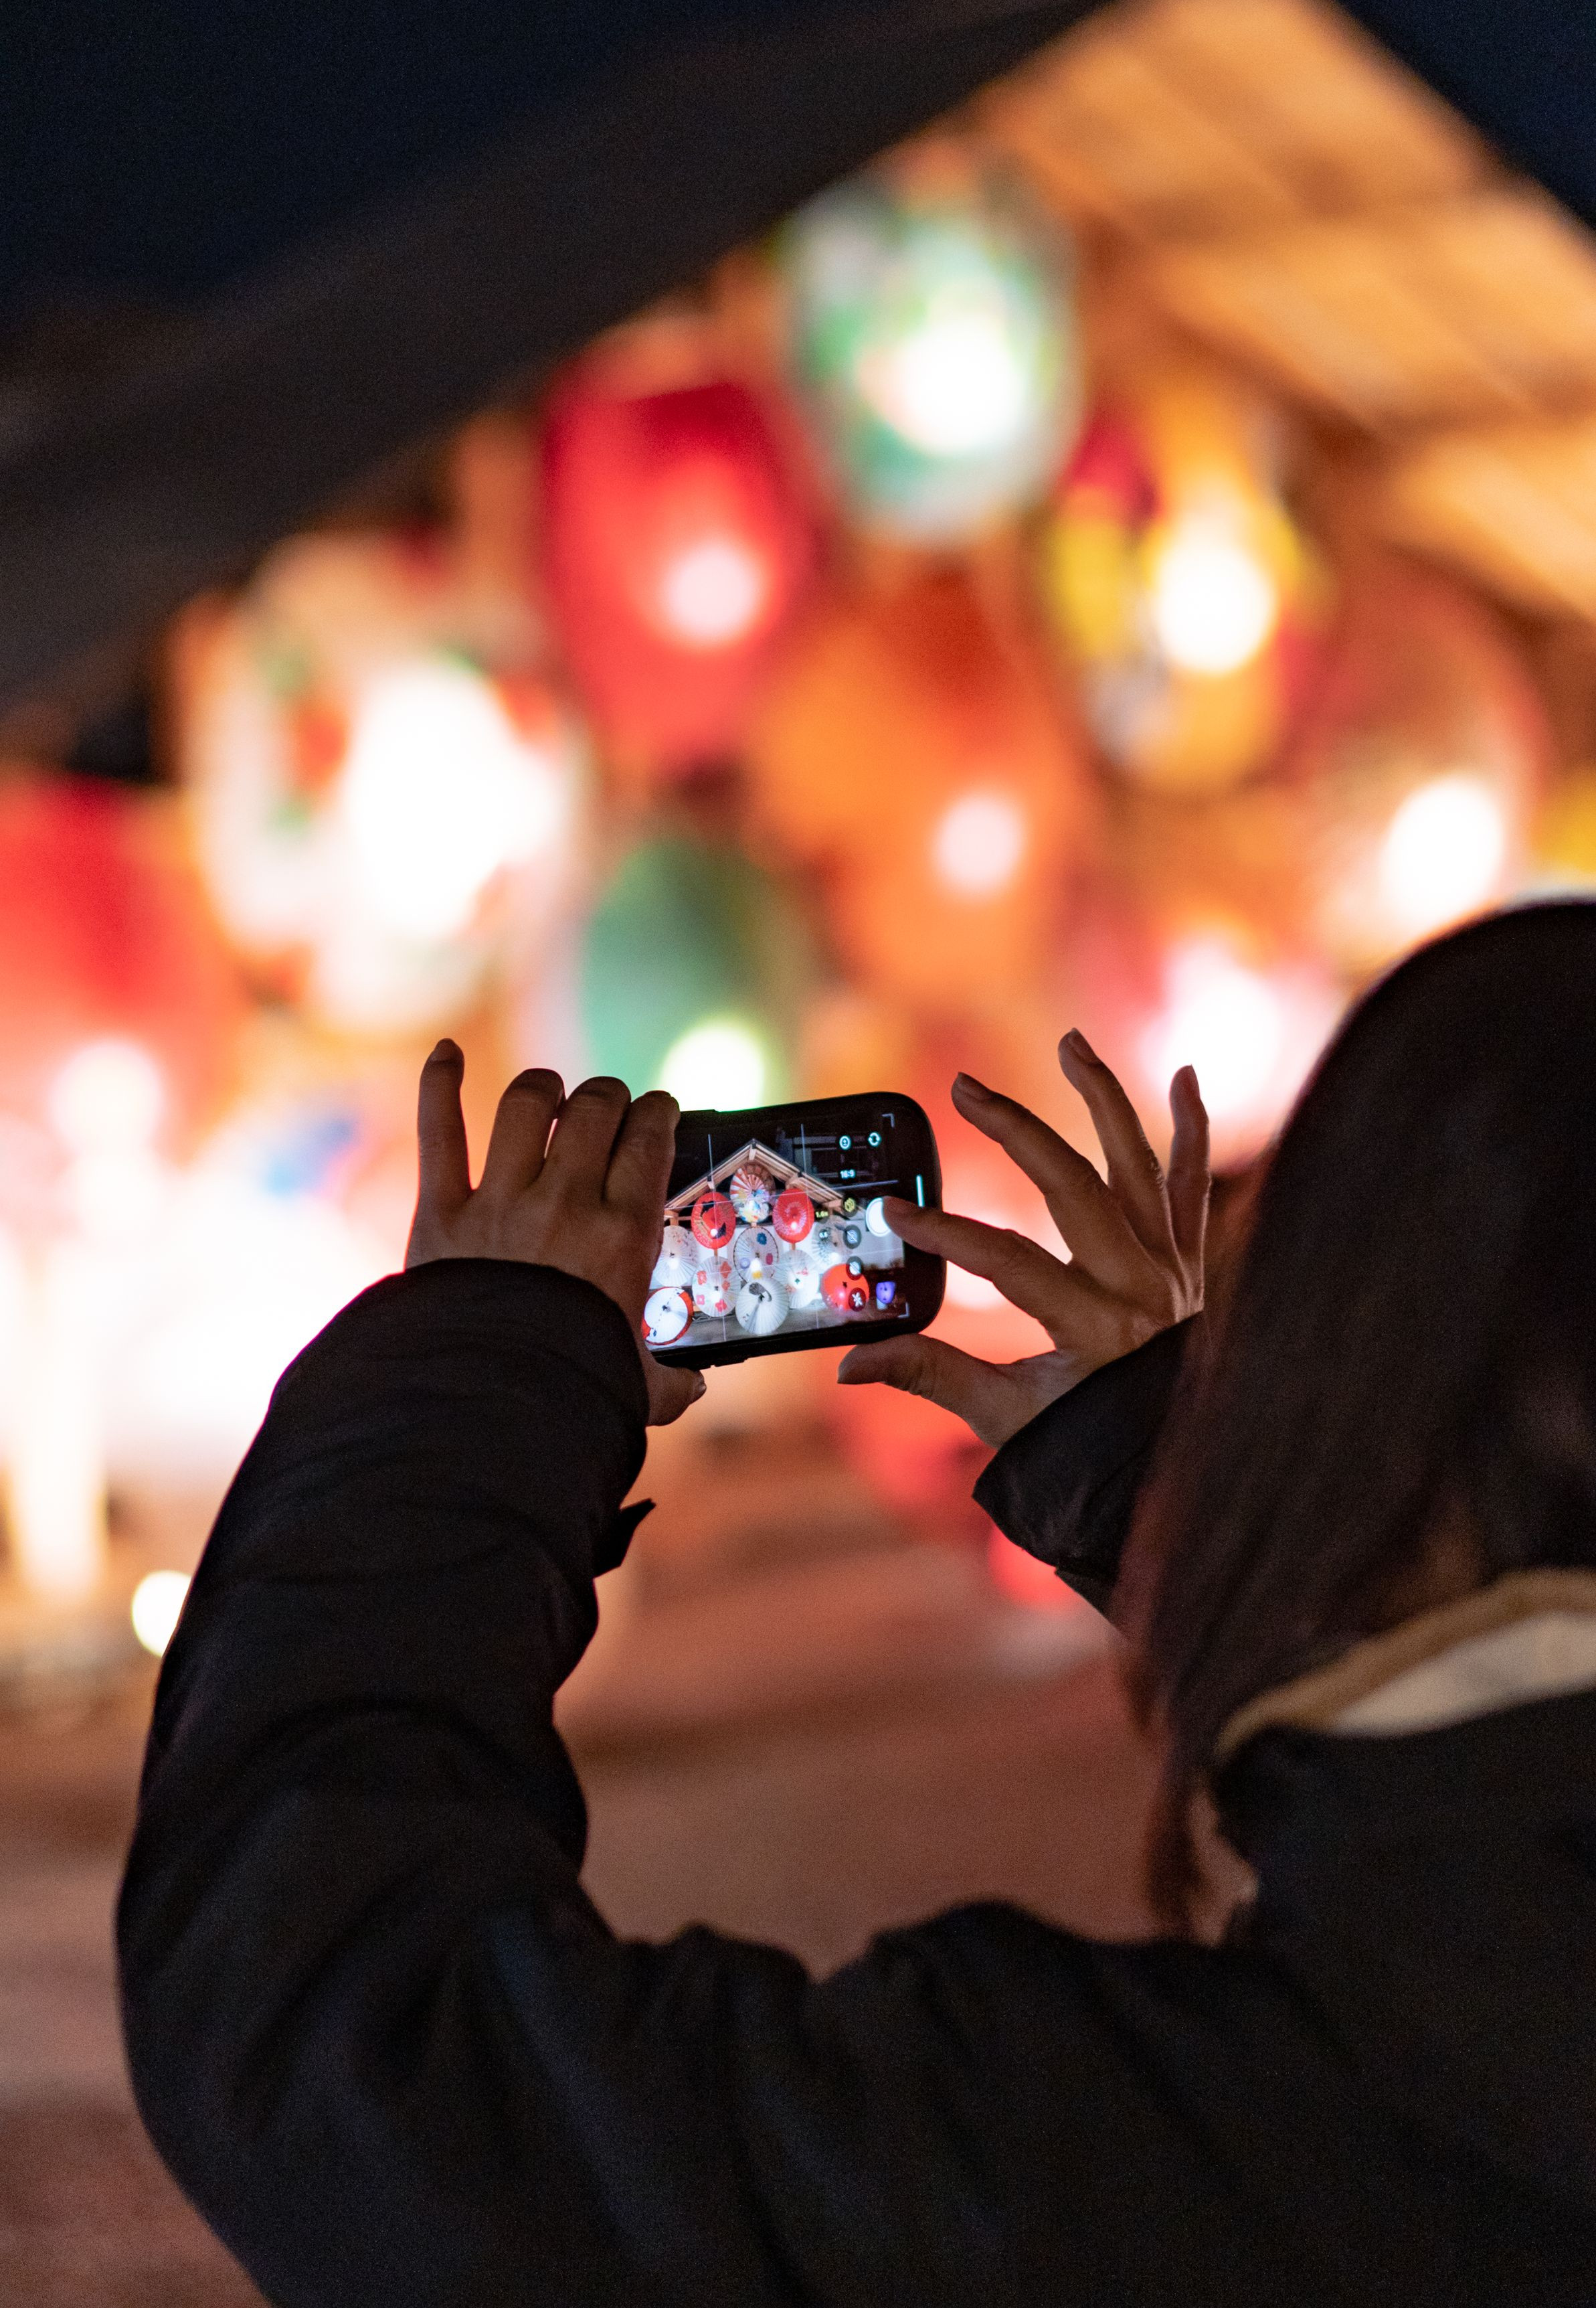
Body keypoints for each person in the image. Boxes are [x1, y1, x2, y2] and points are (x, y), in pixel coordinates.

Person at [118, 904, 1596, 2305]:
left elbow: (348, 2044)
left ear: (1380, 1400)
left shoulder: (1172, 2150)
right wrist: (1202, 1515)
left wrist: (471, 1389)